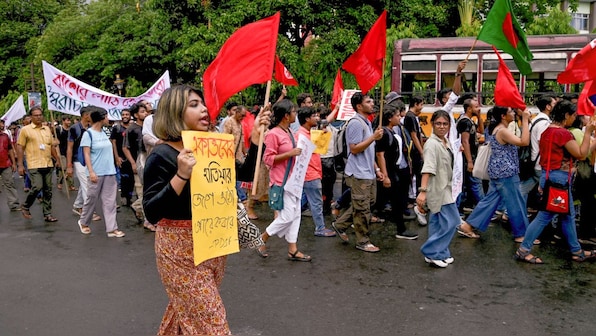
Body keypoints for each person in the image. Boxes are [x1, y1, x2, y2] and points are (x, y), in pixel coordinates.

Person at [143, 84, 266, 335]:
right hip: (179, 251)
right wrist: (180, 175)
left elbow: (241, 173)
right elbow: (151, 212)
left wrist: (254, 142)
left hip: (213, 243)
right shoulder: (162, 154)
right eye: (193, 105)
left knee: (186, 310)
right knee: (211, 320)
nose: (204, 110)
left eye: (202, 104)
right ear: (174, 112)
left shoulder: (209, 146)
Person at [515, 101, 596, 263]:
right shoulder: (563, 134)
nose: (574, 119)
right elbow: (581, 154)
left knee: (568, 216)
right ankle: (523, 250)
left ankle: (576, 250)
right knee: (544, 216)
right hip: (559, 181)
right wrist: (588, 132)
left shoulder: (547, 131)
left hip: (548, 177)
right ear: (566, 115)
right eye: (573, 116)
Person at [457, 106, 532, 243]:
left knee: (490, 201)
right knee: (515, 202)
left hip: (498, 171)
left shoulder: (496, 128)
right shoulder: (502, 131)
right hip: (506, 171)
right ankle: (521, 234)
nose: (514, 113)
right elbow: (524, 142)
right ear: (503, 116)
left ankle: (468, 226)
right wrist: (525, 120)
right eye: (511, 112)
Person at [257, 99, 312, 261]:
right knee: (287, 216)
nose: (296, 114)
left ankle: (292, 249)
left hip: (292, 181)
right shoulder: (273, 134)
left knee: (295, 215)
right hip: (281, 181)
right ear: (286, 116)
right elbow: (268, 159)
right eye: (294, 112)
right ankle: (262, 238)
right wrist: (290, 154)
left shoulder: (288, 132)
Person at [331, 92, 384, 252]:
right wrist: (373, 138)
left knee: (368, 202)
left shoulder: (366, 123)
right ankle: (363, 241)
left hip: (369, 172)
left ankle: (340, 225)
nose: (372, 103)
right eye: (368, 101)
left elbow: (368, 150)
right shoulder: (355, 123)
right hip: (358, 173)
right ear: (359, 106)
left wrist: (377, 169)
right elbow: (354, 149)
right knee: (362, 209)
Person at [416, 110, 459, 267]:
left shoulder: (444, 142)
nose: (442, 127)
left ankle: (439, 253)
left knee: (437, 222)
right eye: (438, 123)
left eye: (445, 124)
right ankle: (431, 251)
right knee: (453, 221)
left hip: (444, 187)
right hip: (438, 190)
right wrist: (423, 191)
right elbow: (428, 168)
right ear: (432, 125)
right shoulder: (432, 144)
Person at [76, 107, 123, 238]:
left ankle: (112, 229)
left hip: (109, 171)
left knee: (110, 201)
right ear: (101, 118)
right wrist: (91, 172)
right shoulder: (88, 134)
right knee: (91, 199)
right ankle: (84, 222)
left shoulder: (104, 132)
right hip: (96, 172)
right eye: (107, 116)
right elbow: (86, 154)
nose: (109, 119)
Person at [375, 106, 418, 240]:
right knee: (392, 201)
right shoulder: (384, 133)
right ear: (389, 118)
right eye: (397, 116)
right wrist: (385, 175)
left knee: (391, 200)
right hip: (390, 171)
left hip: (397, 169)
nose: (400, 118)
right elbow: (380, 155)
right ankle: (401, 229)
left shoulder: (393, 131)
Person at [295, 106, 336, 237]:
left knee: (305, 201)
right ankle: (320, 227)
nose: (317, 118)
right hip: (309, 173)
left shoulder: (309, 133)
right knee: (316, 202)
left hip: (313, 172)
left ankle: (288, 222)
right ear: (307, 119)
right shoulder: (302, 135)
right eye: (314, 116)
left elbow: (318, 148)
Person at [17, 106, 61, 222]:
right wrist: (20, 164)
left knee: (48, 190)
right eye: (36, 115)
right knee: (37, 186)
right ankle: (26, 206)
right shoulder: (25, 130)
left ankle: (47, 213)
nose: (38, 117)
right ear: (31, 117)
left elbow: (50, 145)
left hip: (47, 163)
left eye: (40, 115)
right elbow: (20, 147)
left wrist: (57, 158)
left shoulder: (46, 129)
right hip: (33, 163)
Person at [111, 108, 134, 206]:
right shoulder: (117, 128)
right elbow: (114, 143)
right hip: (121, 158)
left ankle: (130, 196)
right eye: (123, 114)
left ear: (130, 116)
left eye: (127, 114)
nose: (125, 116)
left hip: (133, 157)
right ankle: (124, 196)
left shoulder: (133, 127)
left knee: (133, 178)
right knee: (124, 178)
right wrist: (116, 157)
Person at [0, 119, 20, 211]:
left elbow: (10, 150)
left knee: (9, 184)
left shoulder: (5, 136)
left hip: (5, 164)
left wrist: (14, 163)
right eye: (1, 123)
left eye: (3, 123)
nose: (2, 125)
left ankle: (14, 204)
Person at [55, 115, 75, 191]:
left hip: (70, 152)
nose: (69, 122)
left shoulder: (71, 130)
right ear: (63, 121)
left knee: (70, 167)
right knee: (64, 168)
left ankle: (70, 185)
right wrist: (57, 154)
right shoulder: (59, 129)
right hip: (62, 152)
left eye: (70, 120)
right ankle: (61, 183)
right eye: (67, 120)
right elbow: (56, 142)